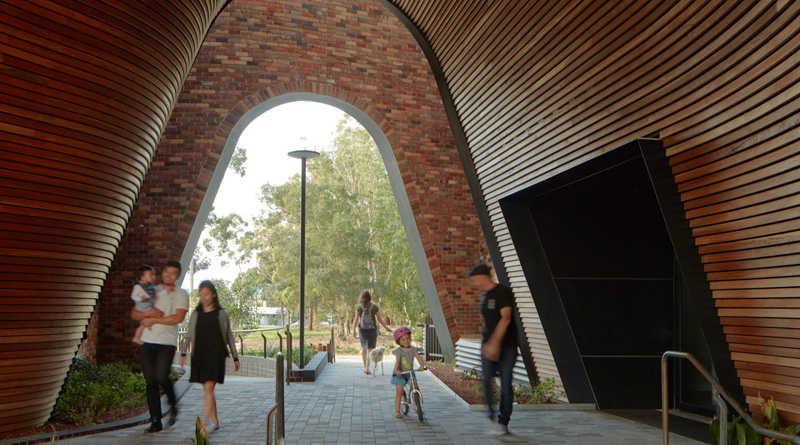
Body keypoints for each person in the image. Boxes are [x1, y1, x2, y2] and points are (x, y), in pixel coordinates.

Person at [131, 260, 189, 433]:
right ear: (162, 271)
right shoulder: (151, 290)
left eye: (173, 272)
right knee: (150, 380)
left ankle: (173, 402)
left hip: (166, 342)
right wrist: (148, 313)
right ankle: (155, 420)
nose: (168, 275)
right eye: (166, 271)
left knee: (162, 375)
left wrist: (152, 319)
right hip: (146, 341)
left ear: (177, 276)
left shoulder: (181, 294)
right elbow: (135, 313)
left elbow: (177, 318)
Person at [179, 280, 240, 431]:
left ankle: (204, 424)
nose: (203, 298)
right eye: (201, 295)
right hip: (200, 356)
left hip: (216, 356)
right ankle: (215, 420)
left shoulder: (221, 314)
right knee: (208, 390)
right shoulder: (196, 314)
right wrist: (183, 352)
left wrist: (235, 357)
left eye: (206, 294)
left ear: (213, 294)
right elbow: (188, 334)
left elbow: (229, 336)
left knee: (208, 388)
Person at [467, 263, 518, 436]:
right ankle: (491, 414)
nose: (473, 283)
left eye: (474, 280)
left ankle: (503, 422)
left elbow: (506, 318)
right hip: (488, 346)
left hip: (507, 348)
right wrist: (485, 343)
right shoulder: (484, 296)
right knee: (486, 380)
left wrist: (494, 344)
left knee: (505, 385)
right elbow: (486, 321)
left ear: (483, 277)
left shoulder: (502, 292)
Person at [352, 290, 392, 375]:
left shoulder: (359, 307)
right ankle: (367, 368)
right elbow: (379, 319)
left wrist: (354, 330)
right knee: (369, 349)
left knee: (364, 348)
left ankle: (365, 366)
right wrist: (386, 328)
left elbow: (356, 319)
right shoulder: (374, 307)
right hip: (372, 329)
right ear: (370, 297)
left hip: (362, 330)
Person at [390, 326, 425, 418]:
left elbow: (419, 358)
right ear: (398, 341)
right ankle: (397, 411)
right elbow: (397, 362)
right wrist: (397, 370)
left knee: (416, 388)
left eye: (408, 338)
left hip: (410, 372)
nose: (406, 341)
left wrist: (422, 366)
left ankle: (417, 407)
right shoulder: (399, 351)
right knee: (399, 392)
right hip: (400, 374)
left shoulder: (413, 349)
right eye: (403, 340)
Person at [131, 265, 157, 345]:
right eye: (150, 275)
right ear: (142, 277)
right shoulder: (138, 287)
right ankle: (136, 337)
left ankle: (145, 327)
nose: (153, 277)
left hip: (147, 305)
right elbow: (133, 296)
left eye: (153, 275)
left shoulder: (151, 287)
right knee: (156, 314)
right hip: (143, 306)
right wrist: (140, 299)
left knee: (143, 324)